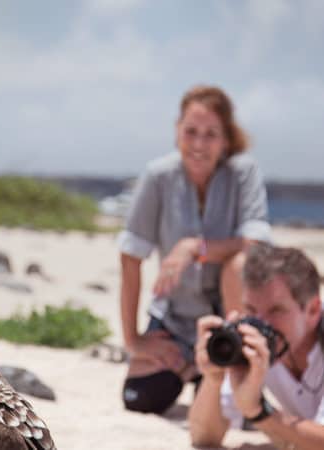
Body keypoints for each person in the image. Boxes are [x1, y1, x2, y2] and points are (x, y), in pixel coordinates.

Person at [118, 85, 271, 414]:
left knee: (240, 262)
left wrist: (194, 247)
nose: (199, 144)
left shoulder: (244, 173)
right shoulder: (158, 176)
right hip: (174, 320)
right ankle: (192, 369)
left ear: (226, 139)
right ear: (177, 132)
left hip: (227, 319)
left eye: (211, 134)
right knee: (140, 398)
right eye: (191, 132)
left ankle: (231, 362)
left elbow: (256, 244)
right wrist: (133, 340)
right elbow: (130, 256)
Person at [189, 243, 324, 450]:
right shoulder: (257, 345)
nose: (261, 324)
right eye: (251, 309)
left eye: (276, 310)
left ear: (313, 310)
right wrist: (213, 379)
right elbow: (204, 438)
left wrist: (260, 413)